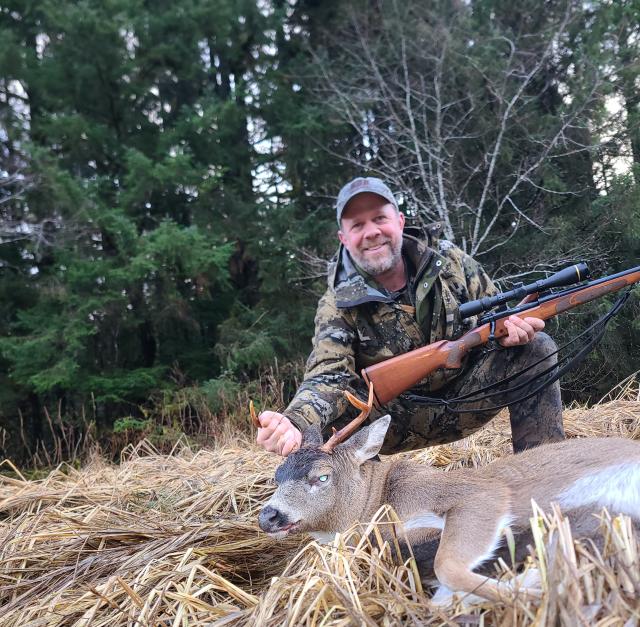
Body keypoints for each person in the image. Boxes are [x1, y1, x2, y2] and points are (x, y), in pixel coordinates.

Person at [256, 177, 565, 457]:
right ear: (343, 238)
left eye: (380, 218)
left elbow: (497, 318)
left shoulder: (451, 261)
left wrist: (513, 332)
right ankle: (365, 500)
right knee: (317, 427)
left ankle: (547, 475)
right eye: (358, 225)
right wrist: (294, 420)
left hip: (470, 396)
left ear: (400, 221)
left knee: (536, 347)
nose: (372, 232)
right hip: (388, 425)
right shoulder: (336, 303)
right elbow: (328, 376)